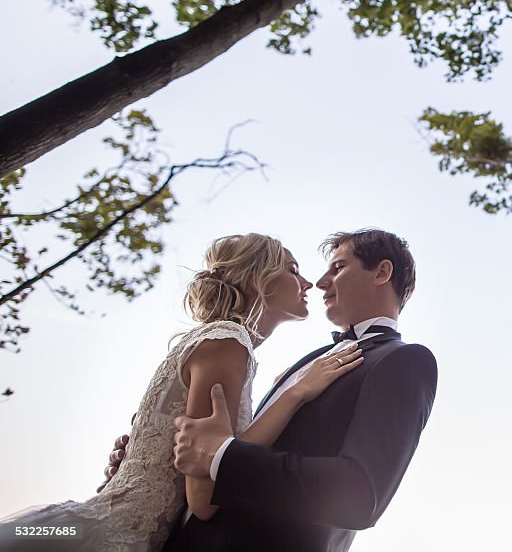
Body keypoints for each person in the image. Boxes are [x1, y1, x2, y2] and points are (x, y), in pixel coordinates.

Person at [0, 234, 364, 551]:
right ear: (259, 280)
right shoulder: (227, 342)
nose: (307, 283)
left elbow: (209, 454)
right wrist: (295, 393)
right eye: (292, 269)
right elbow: (204, 499)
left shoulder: (220, 342)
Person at [165, 228, 438, 552]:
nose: (321, 282)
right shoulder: (308, 361)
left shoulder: (403, 361)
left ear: (382, 272)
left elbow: (360, 495)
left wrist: (223, 457)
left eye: (337, 268)